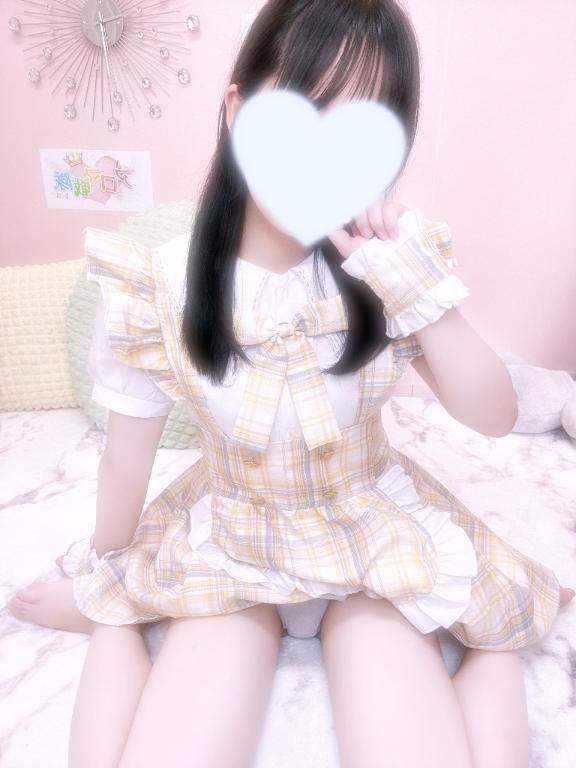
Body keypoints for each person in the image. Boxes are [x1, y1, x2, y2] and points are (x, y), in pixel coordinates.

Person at [8, 1, 575, 766]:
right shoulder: (159, 282)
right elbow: (124, 461)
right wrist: (106, 586)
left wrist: (414, 285)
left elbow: (493, 415)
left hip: (367, 533)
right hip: (232, 536)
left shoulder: (392, 262)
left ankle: (490, 651)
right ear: (238, 111)